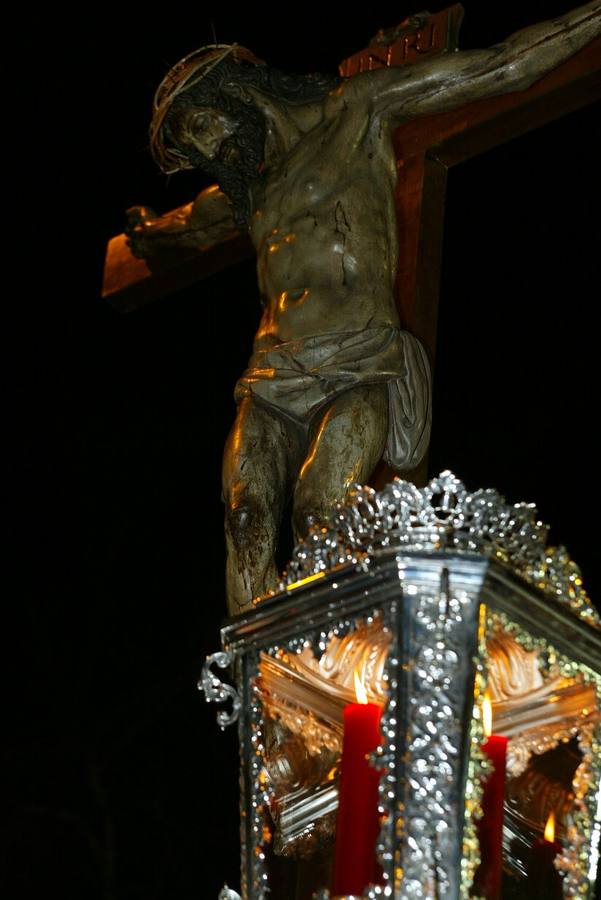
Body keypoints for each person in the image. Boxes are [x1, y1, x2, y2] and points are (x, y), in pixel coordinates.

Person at [127, 4, 599, 615]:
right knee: (245, 516)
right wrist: (148, 235)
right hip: (271, 373)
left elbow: (503, 66)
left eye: (199, 125)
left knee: (321, 509)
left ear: (236, 88)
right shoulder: (252, 189)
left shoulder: (358, 110)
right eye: (193, 145)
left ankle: (334, 657)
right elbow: (184, 230)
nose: (206, 147)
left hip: (357, 356)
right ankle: (260, 685)